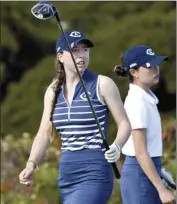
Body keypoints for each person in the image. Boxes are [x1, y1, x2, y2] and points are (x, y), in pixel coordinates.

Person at [19, 30, 131, 204]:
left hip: (95, 169)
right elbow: (45, 134)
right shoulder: (52, 91)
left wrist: (117, 146)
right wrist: (31, 164)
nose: (82, 55)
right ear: (61, 56)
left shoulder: (102, 84)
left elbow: (124, 124)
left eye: (85, 49)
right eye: (75, 50)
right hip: (67, 170)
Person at [114, 45, 175, 204]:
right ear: (133, 72)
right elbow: (140, 152)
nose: (156, 70)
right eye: (149, 66)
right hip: (139, 175)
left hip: (147, 171)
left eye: (156, 65)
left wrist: (159, 172)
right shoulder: (137, 102)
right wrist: (161, 189)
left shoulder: (146, 98)